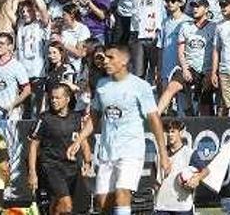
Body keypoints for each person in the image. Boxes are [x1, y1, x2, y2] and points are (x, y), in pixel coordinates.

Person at [70, 44, 169, 215]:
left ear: (124, 61)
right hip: (107, 152)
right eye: (104, 57)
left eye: (111, 58)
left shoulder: (140, 86)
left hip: (131, 150)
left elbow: (154, 120)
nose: (105, 61)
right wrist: (79, 139)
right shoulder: (102, 85)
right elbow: (94, 117)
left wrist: (163, 153)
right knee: (102, 202)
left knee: (123, 193)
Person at [28, 83, 89, 215]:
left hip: (72, 168)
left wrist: (87, 161)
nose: (53, 101)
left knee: (67, 205)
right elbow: (33, 145)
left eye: (57, 98)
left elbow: (83, 141)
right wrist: (32, 172)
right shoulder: (44, 118)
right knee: (66, 204)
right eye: (52, 98)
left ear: (67, 99)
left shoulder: (76, 118)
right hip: (51, 166)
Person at [152, 119, 207, 215]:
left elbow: (206, 170)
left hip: (182, 207)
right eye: (168, 132)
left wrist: (197, 178)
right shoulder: (160, 154)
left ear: (181, 133)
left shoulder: (189, 153)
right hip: (162, 206)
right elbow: (154, 181)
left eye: (173, 131)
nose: (170, 135)